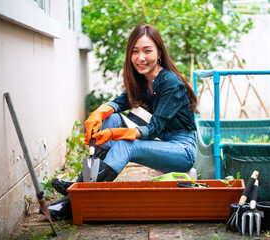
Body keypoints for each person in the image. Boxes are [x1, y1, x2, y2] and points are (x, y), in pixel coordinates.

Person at [47, 25, 199, 220]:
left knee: (124, 143)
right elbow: (118, 103)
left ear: (159, 53)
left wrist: (114, 134)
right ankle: (82, 186)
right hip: (162, 142)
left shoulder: (170, 82)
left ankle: (73, 200)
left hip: (181, 149)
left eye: (147, 51)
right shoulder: (144, 80)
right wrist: (98, 114)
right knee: (109, 119)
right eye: (135, 51)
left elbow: (153, 129)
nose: (140, 57)